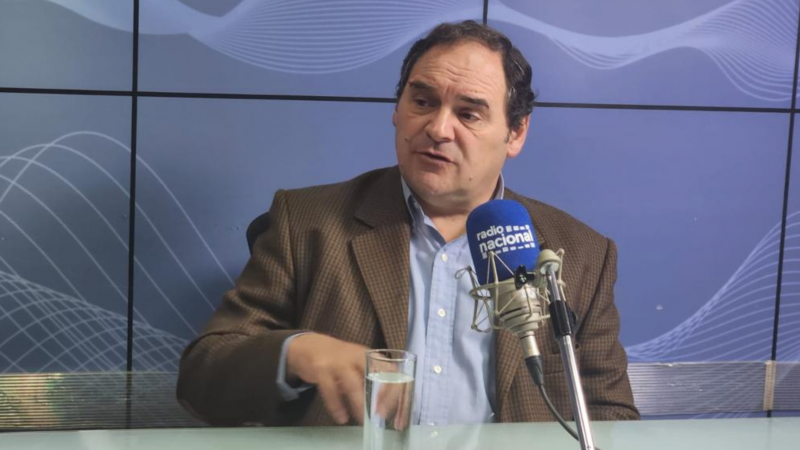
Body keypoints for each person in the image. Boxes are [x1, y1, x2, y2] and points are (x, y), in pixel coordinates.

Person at [177, 20, 640, 427]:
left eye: (468, 113)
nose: (438, 128)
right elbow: (202, 380)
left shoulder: (580, 254)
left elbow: (610, 416)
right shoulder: (308, 223)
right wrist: (297, 352)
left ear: (515, 133)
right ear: (397, 110)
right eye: (423, 101)